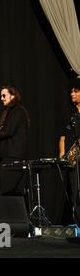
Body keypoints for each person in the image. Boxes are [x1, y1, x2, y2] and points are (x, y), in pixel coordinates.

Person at [59, 78, 80, 221]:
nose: (72, 94)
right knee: (75, 193)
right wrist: (62, 154)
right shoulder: (69, 114)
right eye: (71, 91)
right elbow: (62, 137)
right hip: (73, 158)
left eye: (76, 91)